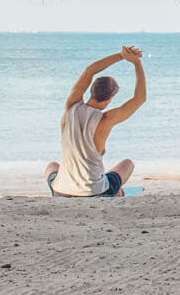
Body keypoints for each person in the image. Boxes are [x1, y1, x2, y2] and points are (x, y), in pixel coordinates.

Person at [44, 46, 146, 198]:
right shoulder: (106, 119)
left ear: (91, 91)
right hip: (95, 191)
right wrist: (137, 63)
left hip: (61, 191)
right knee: (127, 164)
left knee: (52, 166)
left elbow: (89, 71)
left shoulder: (71, 106)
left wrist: (120, 55)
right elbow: (140, 99)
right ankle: (115, 191)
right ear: (109, 100)